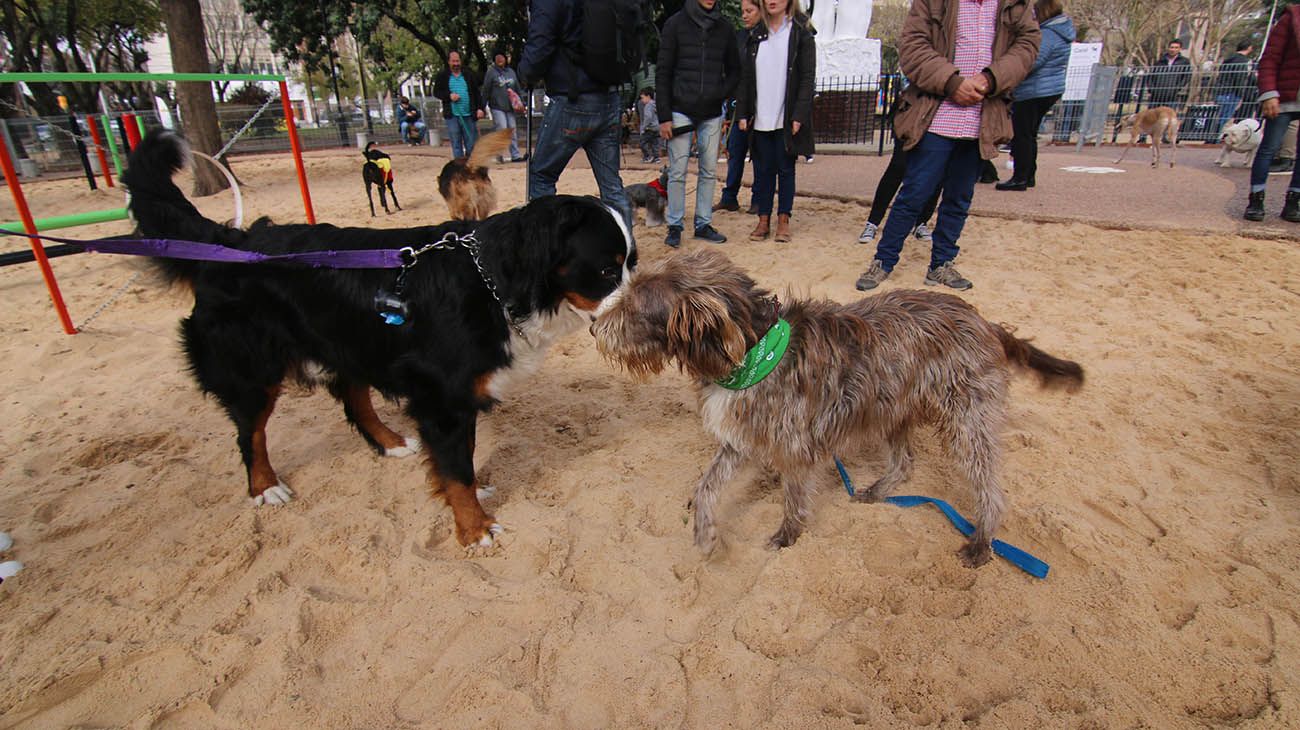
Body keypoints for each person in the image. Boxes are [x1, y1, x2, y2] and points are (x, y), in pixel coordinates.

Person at [854, 0, 1040, 291]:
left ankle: (941, 263)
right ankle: (884, 260)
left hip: (982, 117)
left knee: (959, 196)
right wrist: (952, 82)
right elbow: (913, 46)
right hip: (935, 116)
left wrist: (990, 78)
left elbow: (1027, 45)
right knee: (914, 193)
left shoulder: (1014, 4)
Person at [518, 0, 633, 228]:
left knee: (541, 176)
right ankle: (627, 256)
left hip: (572, 99)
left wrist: (525, 74)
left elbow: (540, 46)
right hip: (608, 98)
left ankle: (544, 250)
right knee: (612, 188)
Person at [657, 0, 742, 247]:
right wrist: (664, 116)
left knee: (709, 170)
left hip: (712, 111)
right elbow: (663, 72)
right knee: (677, 170)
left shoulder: (724, 27)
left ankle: (703, 223)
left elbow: (735, 70)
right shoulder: (674, 24)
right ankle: (675, 225)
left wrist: (720, 93)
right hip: (680, 108)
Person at [736, 0, 816, 242]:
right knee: (762, 170)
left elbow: (807, 76)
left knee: (785, 169)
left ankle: (783, 219)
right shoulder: (756, 34)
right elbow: (746, 77)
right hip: (761, 113)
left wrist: (799, 114)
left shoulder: (801, 32)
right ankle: (763, 219)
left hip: (786, 114)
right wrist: (742, 112)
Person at [996, 0, 1074, 191]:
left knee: (1022, 134)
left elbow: (1031, 60)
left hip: (1034, 90)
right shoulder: (1060, 33)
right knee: (1029, 134)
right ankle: (1028, 174)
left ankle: (1020, 176)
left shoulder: (1048, 34)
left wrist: (1011, 71)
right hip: (1048, 88)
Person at [1244, 2, 1300, 222]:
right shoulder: (1291, 18)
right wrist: (1269, 93)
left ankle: (1294, 202)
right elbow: (1270, 58)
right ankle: (1256, 200)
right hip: (1284, 97)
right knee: (1269, 148)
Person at [716, 0, 762, 214]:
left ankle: (758, 199)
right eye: (743, 11)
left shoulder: (767, 37)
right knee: (735, 150)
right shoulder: (739, 37)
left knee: (760, 155)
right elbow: (732, 71)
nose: (744, 16)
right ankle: (730, 196)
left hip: (760, 105)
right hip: (737, 104)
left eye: (749, 11)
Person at [857, 143, 942, 243]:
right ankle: (872, 222)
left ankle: (921, 223)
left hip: (938, 130)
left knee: (935, 172)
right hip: (910, 129)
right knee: (898, 167)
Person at [434, 51, 485, 159]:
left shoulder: (468, 74)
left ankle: (471, 164)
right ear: (448, 62)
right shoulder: (443, 76)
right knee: (456, 142)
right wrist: (449, 96)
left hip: (469, 114)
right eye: (453, 61)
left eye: (457, 61)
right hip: (452, 115)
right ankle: (459, 167)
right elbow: (437, 92)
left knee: (471, 143)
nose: (456, 63)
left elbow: (476, 92)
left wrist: (480, 108)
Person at [481, 50, 527, 163]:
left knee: (512, 129)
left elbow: (517, 89)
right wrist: (482, 106)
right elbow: (486, 90)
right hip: (497, 107)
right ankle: (499, 154)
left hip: (510, 107)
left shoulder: (511, 72)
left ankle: (515, 155)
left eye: (502, 57)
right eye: (497, 57)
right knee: (501, 128)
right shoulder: (491, 73)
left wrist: (522, 103)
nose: (500, 59)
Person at [1214, 40, 1255, 136]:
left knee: (1218, 115)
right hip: (1232, 92)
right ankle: (1216, 136)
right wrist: (1241, 94)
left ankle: (1213, 135)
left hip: (1220, 90)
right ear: (1249, 48)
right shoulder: (1244, 61)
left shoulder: (1228, 59)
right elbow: (1240, 78)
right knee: (1225, 116)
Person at [1147, 39, 1192, 111]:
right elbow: (1151, 76)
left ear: (1180, 49)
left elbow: (1186, 76)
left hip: (1171, 95)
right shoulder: (1160, 61)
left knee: (1169, 116)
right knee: (1151, 116)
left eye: (1176, 47)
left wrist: (1177, 88)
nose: (1173, 49)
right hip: (1156, 94)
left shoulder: (1184, 61)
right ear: (1168, 48)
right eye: (1171, 47)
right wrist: (1152, 89)